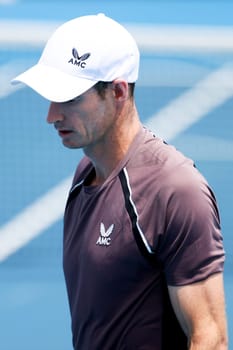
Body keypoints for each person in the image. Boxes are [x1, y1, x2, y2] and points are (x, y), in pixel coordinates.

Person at [12, 13, 228, 350]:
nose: (51, 115)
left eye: (70, 99)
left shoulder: (175, 191)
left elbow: (211, 338)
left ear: (117, 92)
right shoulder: (85, 173)